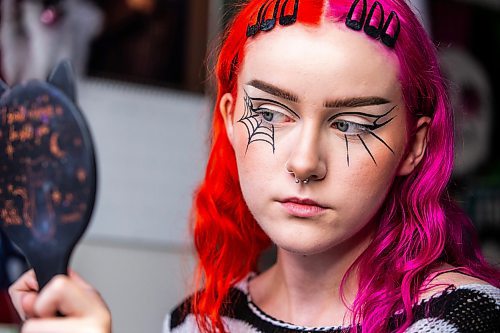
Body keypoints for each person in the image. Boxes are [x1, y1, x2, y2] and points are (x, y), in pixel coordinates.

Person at [8, 0, 500, 332]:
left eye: (351, 124)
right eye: (269, 114)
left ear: (413, 147)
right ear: (230, 122)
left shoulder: (463, 319)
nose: (305, 162)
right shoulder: (197, 323)